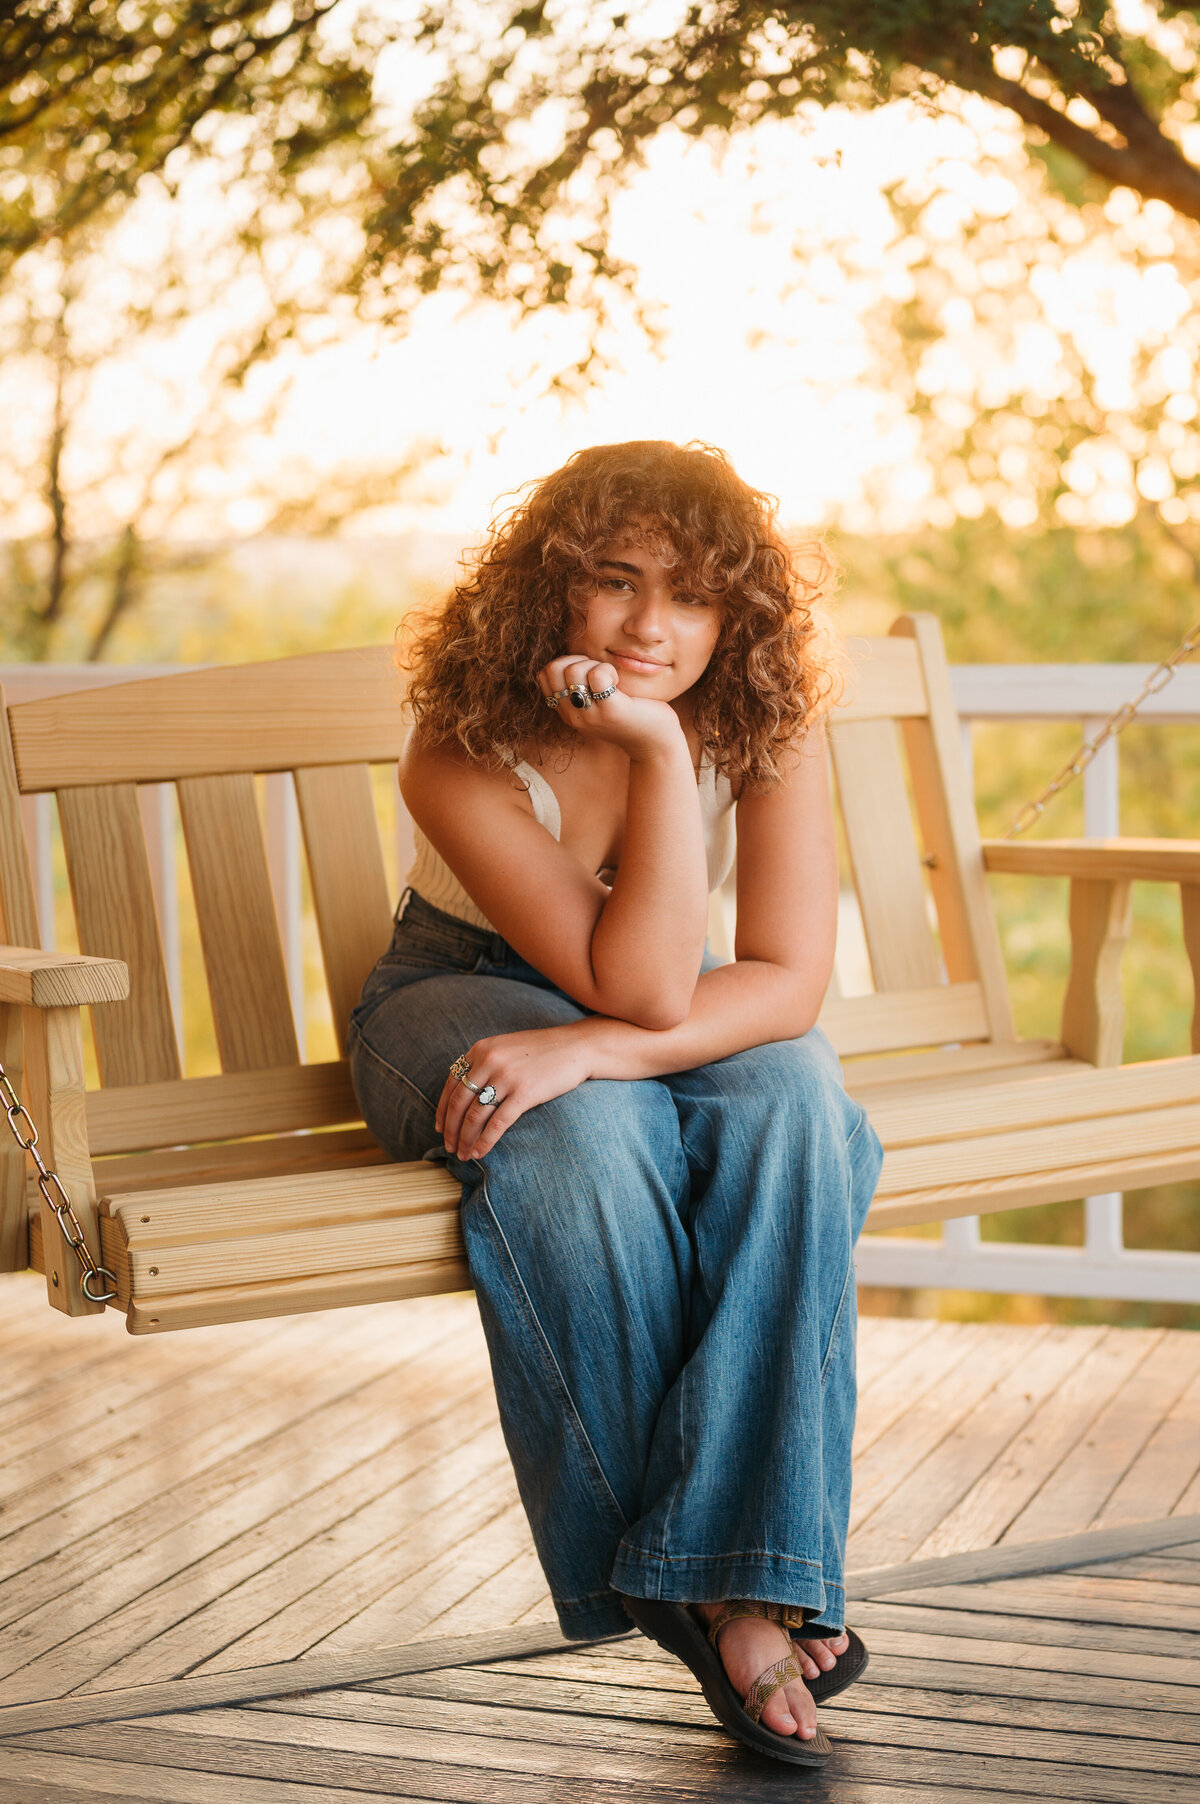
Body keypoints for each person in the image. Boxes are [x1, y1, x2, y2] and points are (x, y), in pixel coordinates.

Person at [347, 439, 884, 1767]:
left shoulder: (763, 717)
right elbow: (641, 986)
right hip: (454, 998)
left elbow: (787, 983)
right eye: (616, 582)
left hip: (617, 1019)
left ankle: (708, 1567)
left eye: (693, 596)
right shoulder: (459, 742)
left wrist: (586, 1051)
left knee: (797, 1099)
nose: (652, 626)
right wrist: (649, 752)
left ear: (735, 616)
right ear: (551, 590)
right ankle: (736, 1586)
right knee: (583, 1138)